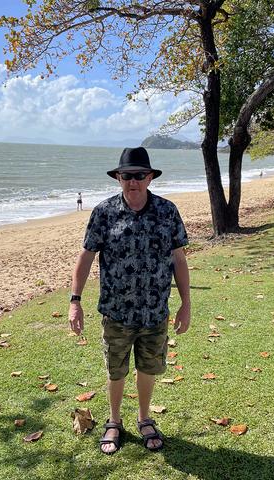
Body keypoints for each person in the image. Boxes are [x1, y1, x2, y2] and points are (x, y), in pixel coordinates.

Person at [68, 146, 191, 455]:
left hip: (154, 311)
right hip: (116, 312)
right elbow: (86, 256)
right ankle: (114, 421)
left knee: (148, 368)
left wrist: (186, 303)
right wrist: (75, 301)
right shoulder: (104, 212)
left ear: (149, 178)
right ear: (118, 178)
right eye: (126, 176)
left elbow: (179, 259)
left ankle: (144, 418)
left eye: (139, 175)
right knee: (116, 370)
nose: (132, 181)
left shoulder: (167, 211)